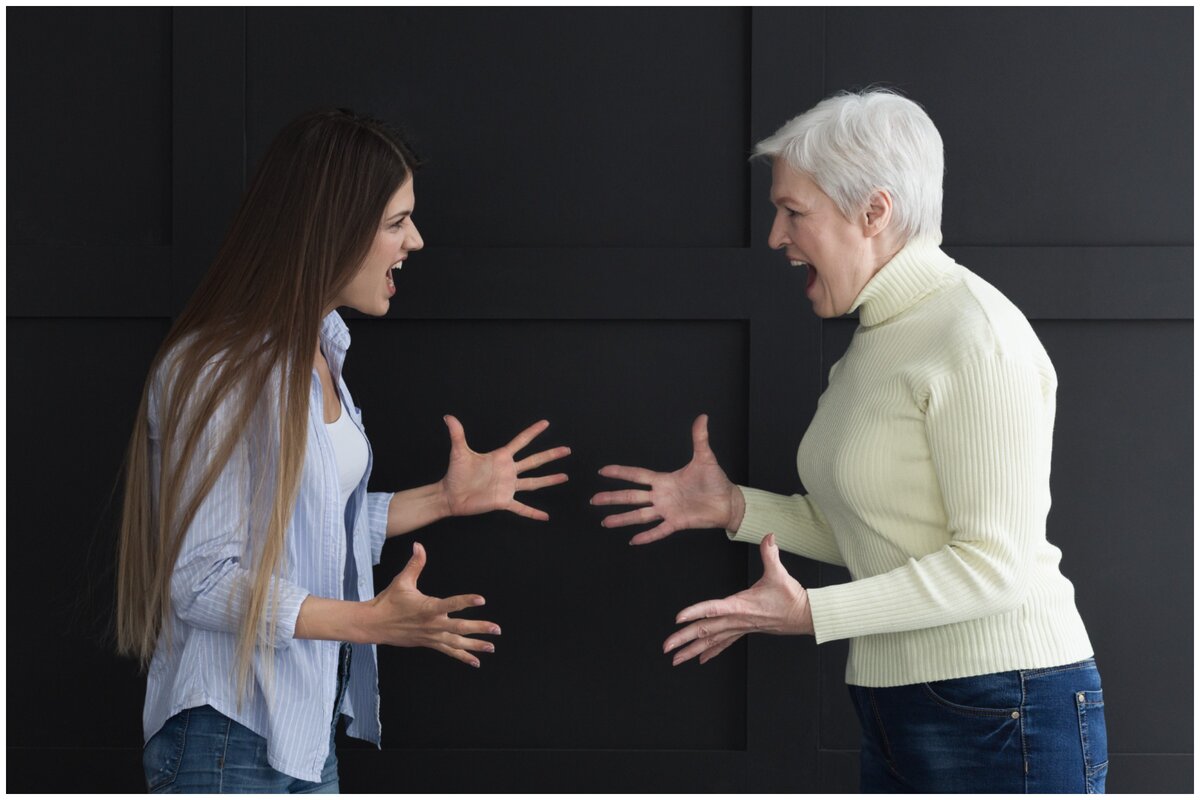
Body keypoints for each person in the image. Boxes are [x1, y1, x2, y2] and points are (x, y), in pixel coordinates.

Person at [592, 90, 1106, 793]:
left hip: (1004, 706)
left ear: (874, 212)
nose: (775, 235)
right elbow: (877, 533)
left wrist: (813, 614)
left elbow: (995, 565)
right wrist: (734, 508)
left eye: (793, 212)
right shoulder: (877, 340)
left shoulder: (977, 335)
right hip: (902, 705)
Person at [116, 109, 571, 792]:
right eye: (396, 222)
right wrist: (370, 622)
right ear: (328, 231)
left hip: (302, 735)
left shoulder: (318, 352)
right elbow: (201, 581)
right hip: (227, 745)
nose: (415, 240)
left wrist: (445, 500)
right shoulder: (219, 368)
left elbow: (308, 531)